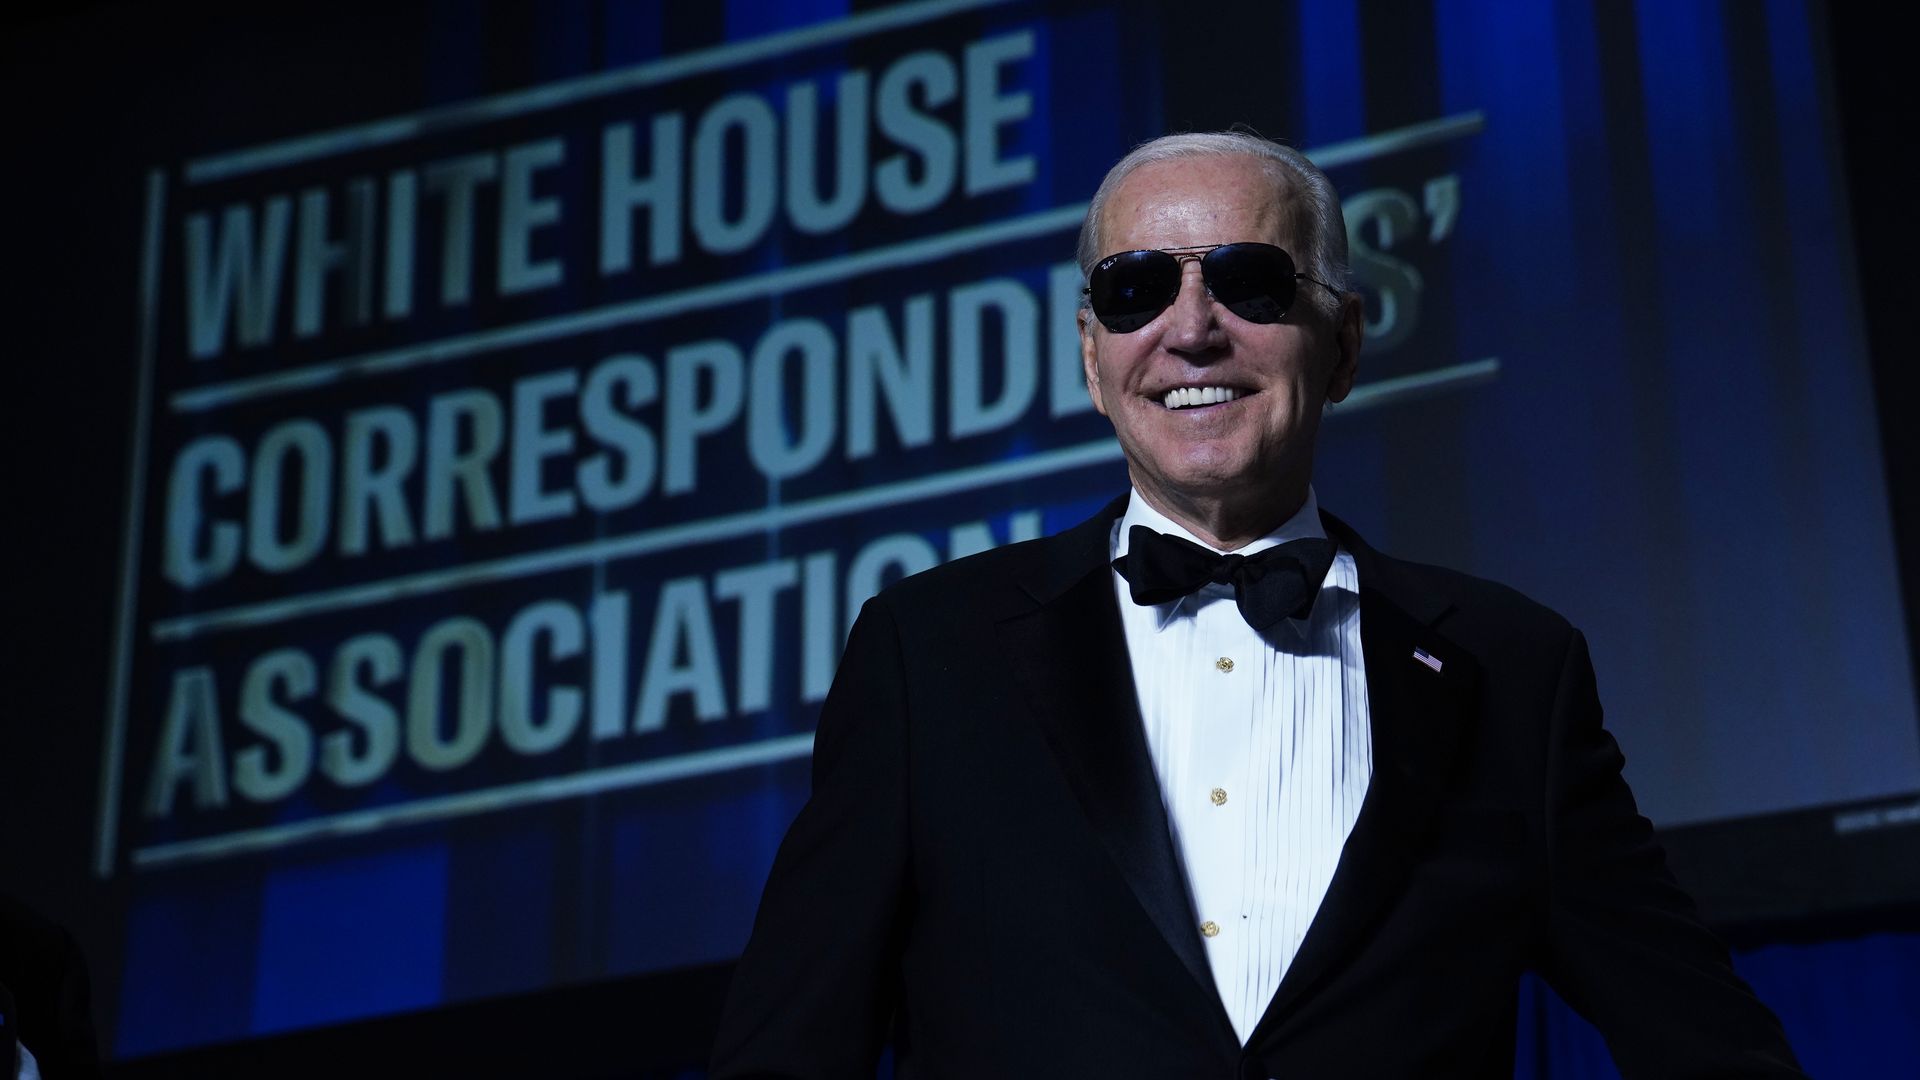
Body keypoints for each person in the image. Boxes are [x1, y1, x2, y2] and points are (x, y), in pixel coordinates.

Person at [709, 132, 1804, 1078]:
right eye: (1137, 289)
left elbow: (1707, 1041)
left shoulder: (1512, 670)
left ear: (1344, 346)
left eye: (1251, 281)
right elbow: (789, 1053)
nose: (1192, 329)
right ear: (1093, 359)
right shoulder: (928, 655)